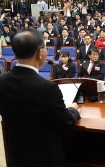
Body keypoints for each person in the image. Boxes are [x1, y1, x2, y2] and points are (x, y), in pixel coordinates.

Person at [0, 29, 80, 166]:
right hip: (45, 159)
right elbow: (65, 123)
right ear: (40, 53)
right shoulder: (48, 88)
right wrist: (73, 109)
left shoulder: (2, 81)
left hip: (16, 156)